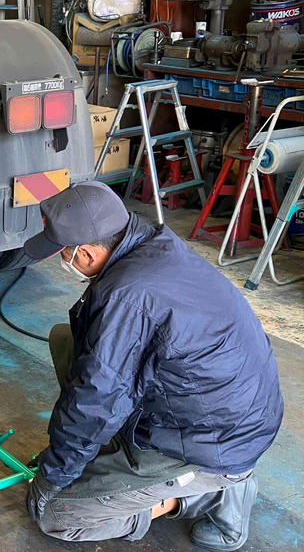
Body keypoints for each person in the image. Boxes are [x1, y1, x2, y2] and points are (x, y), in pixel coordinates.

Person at [21, 181, 283, 550]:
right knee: (68, 341)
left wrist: (53, 477)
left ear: (87, 254)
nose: (63, 261)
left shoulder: (127, 297)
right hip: (220, 410)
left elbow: (95, 398)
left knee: (57, 515)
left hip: (213, 442)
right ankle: (123, 460)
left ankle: (208, 494)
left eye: (65, 253)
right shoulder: (152, 245)